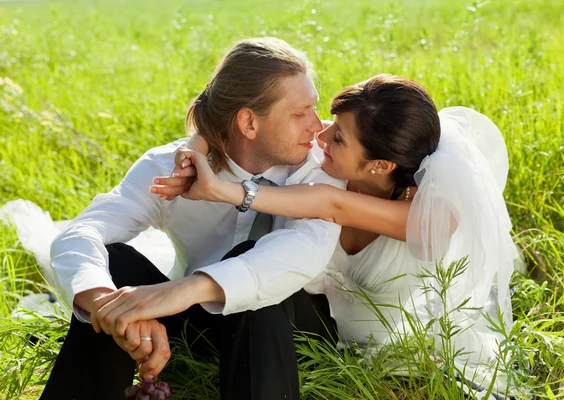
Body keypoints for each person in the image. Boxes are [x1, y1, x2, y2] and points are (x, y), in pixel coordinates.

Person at [153, 74, 519, 393]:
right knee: (260, 277)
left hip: (366, 343)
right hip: (304, 319)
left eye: (339, 137)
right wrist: (192, 149)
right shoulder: (330, 163)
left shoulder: (434, 217)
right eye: (331, 122)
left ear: (381, 165)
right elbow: (238, 125)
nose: (321, 135)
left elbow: (331, 204)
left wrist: (219, 189)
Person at [41, 37, 346, 400]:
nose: (317, 126)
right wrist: (110, 305)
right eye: (300, 113)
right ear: (248, 122)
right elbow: (80, 233)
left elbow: (299, 254)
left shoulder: (320, 168)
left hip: (298, 334)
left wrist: (176, 292)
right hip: (204, 325)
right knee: (115, 262)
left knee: (259, 272)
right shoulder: (170, 167)